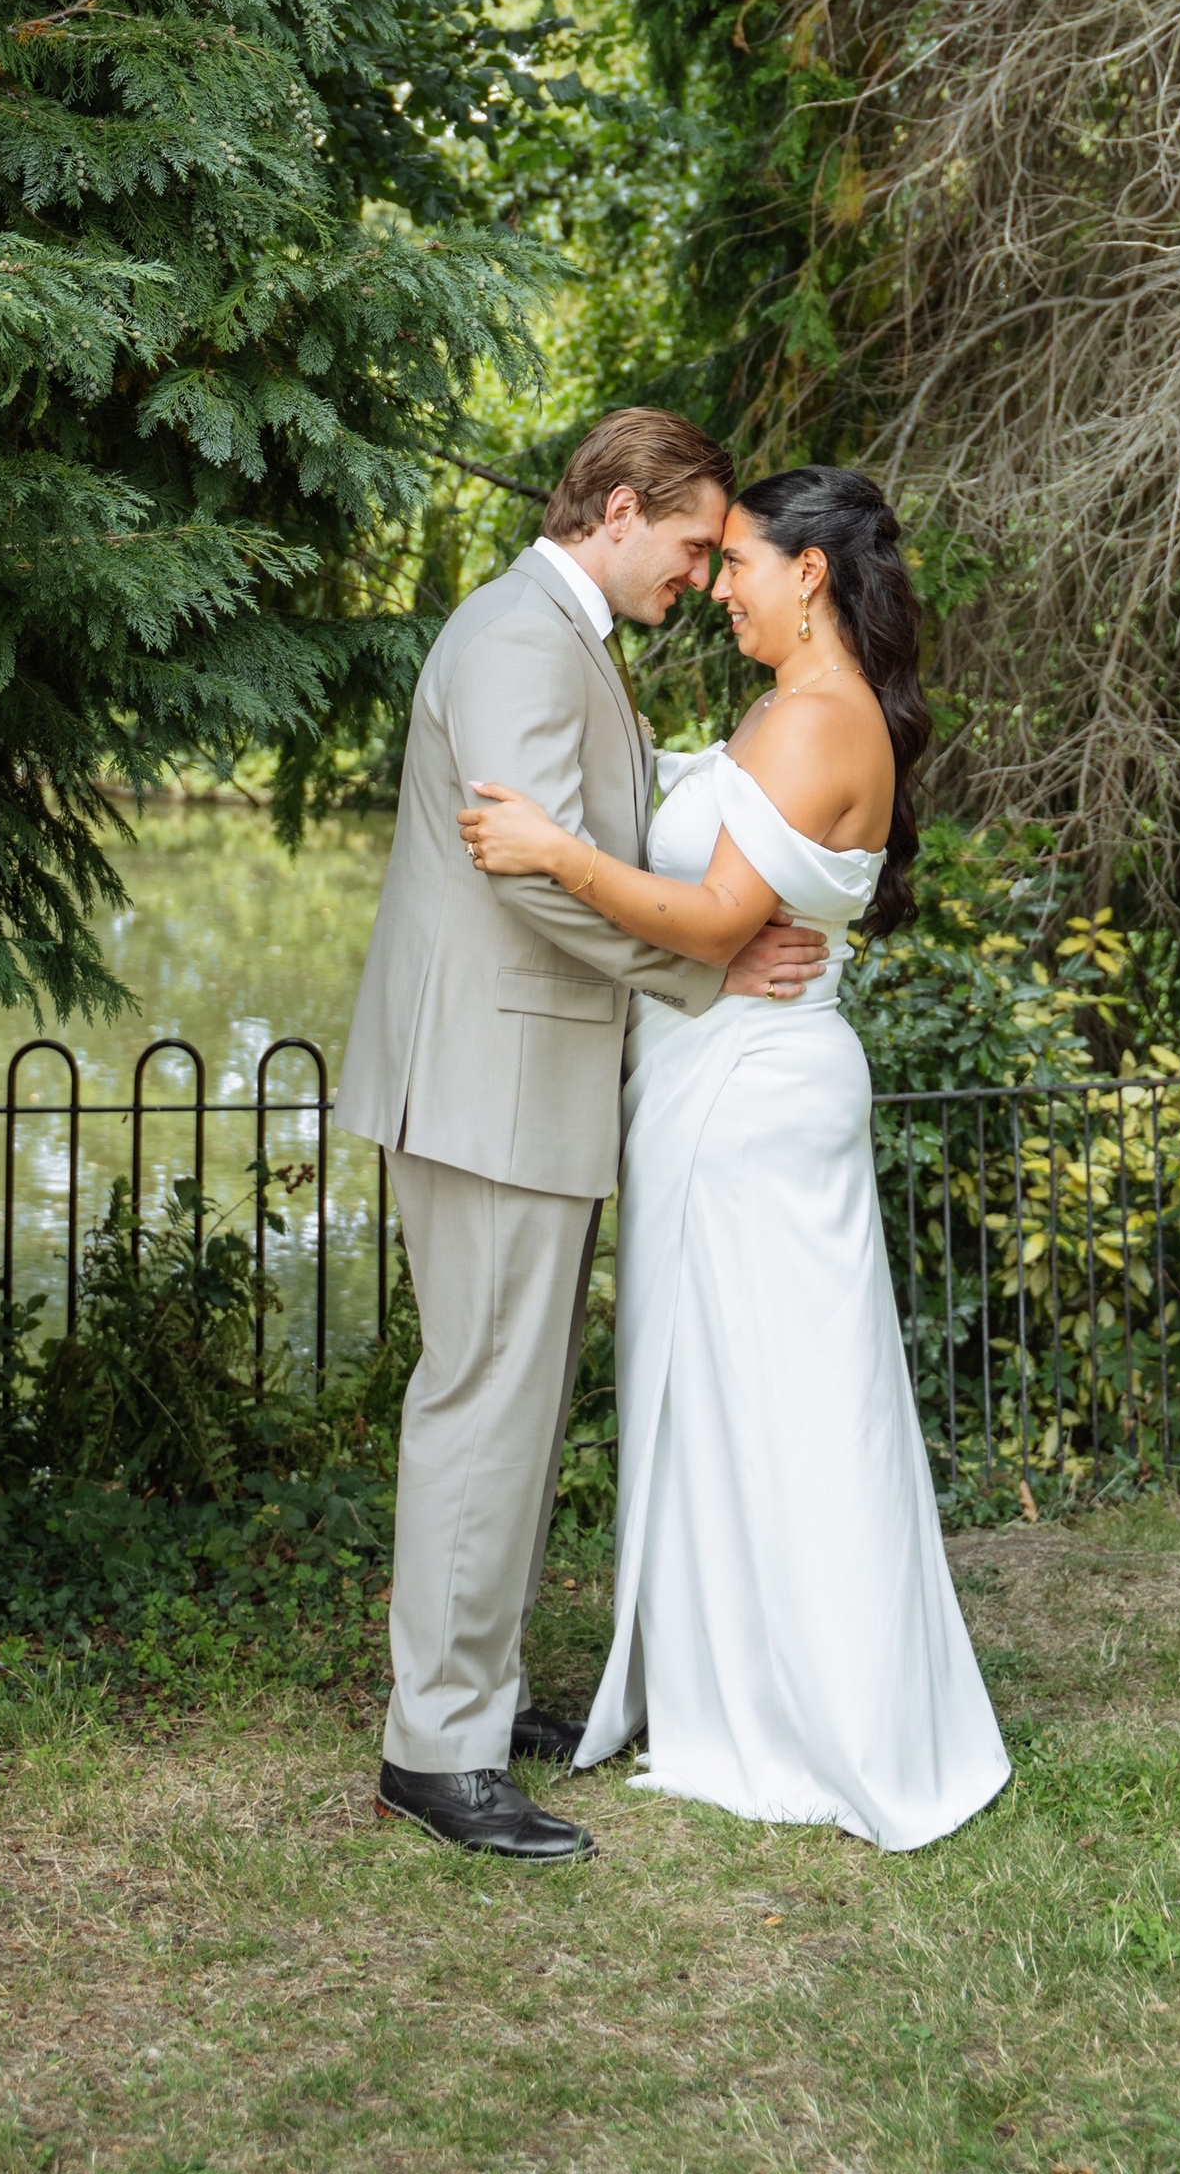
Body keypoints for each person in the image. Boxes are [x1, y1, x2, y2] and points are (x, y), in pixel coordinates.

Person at [460, 463, 1010, 1854]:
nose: (719, 592)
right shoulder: (787, 707)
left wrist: (545, 851)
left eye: (743, 567)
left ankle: (818, 1713)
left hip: (759, 1103)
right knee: (722, 1398)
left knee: (792, 1408)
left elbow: (714, 926)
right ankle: (726, 1682)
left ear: (810, 574)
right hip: (721, 1088)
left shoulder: (822, 721)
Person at [334, 409, 831, 1863]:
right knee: (485, 1402)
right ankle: (436, 1750)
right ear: (617, 510)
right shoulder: (513, 640)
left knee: (516, 1403)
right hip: (489, 1087)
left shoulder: (568, 641)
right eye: (687, 546)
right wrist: (708, 968)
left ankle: (476, 1700)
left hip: (524, 1082)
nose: (694, 578)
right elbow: (533, 877)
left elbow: (597, 823)